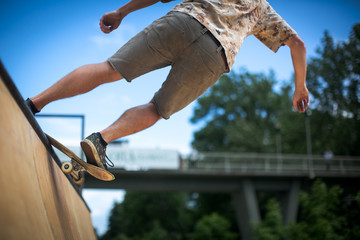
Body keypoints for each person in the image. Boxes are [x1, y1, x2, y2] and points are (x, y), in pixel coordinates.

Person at [25, 0, 309, 170]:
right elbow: (297, 43)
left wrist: (122, 12)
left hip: (184, 21)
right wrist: (300, 86)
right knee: (157, 109)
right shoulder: (261, 8)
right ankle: (101, 140)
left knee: (109, 69)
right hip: (215, 55)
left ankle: (34, 103)